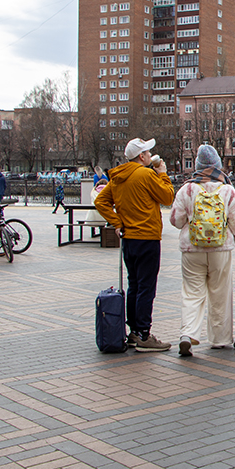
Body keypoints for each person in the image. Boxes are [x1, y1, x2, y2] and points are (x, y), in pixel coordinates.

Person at [95, 137, 175, 352]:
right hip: (147, 237)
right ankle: (144, 334)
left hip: (129, 239)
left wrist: (117, 222)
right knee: (147, 287)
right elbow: (167, 197)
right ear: (141, 156)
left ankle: (133, 332)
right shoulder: (146, 174)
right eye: (147, 152)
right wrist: (162, 174)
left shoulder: (118, 177)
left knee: (134, 285)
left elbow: (100, 201)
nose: (149, 155)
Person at [169, 145, 235, 355]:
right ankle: (219, 339)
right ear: (218, 165)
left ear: (197, 165)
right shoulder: (227, 190)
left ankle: (188, 334)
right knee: (220, 293)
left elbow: (176, 220)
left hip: (191, 249)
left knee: (192, 293)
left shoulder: (187, 189)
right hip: (221, 250)